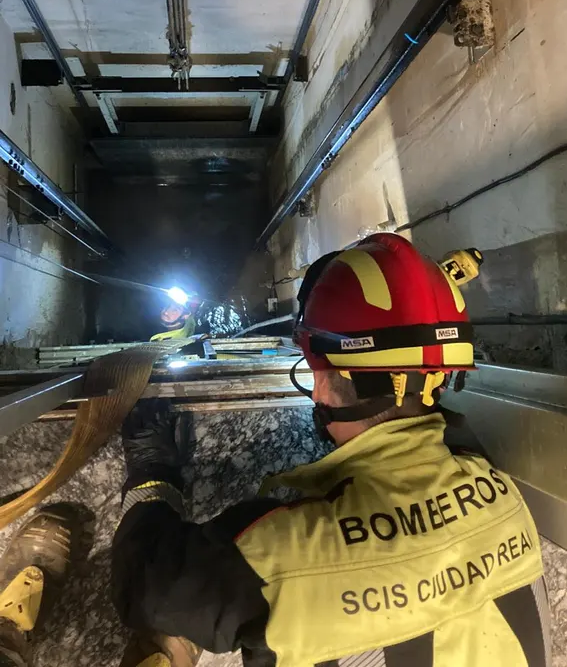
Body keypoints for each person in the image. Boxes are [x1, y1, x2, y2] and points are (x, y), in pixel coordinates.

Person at [111, 233, 551, 666]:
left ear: (321, 379)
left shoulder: (279, 554)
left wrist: (152, 468)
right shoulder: (505, 497)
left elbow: (142, 582)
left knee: (162, 641)